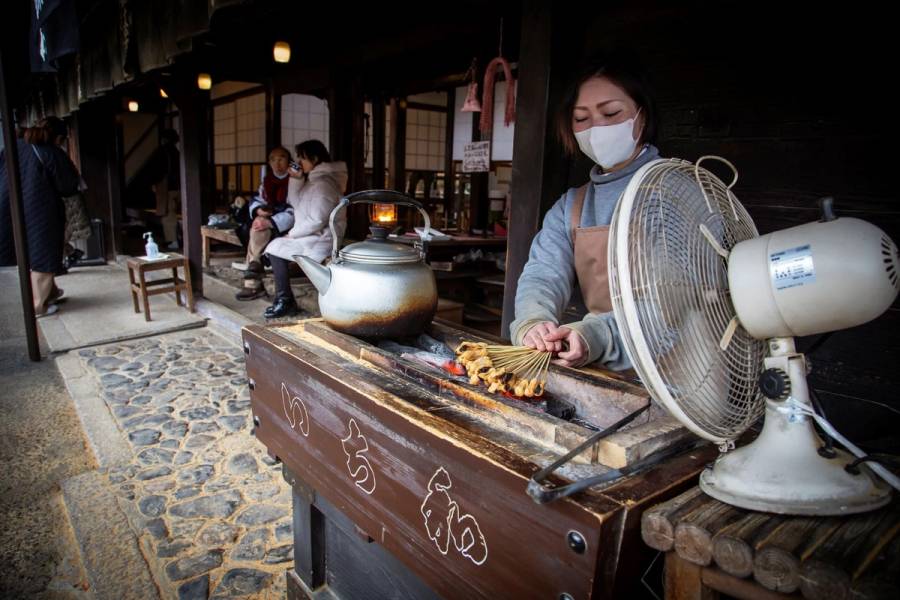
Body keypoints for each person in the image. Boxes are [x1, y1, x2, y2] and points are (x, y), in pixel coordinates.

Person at [509, 50, 660, 370]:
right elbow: (543, 273)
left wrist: (598, 335)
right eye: (581, 118)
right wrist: (533, 321)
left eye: (611, 113)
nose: (597, 127)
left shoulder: (675, 191)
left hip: (685, 379)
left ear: (641, 117)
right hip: (610, 373)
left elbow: (675, 302)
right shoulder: (572, 206)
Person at [0, 117, 80, 316]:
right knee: (42, 257)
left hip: (7, 208)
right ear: (59, 137)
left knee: (23, 255)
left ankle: (50, 293)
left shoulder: (15, 147)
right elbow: (68, 186)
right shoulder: (52, 153)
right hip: (41, 212)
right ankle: (37, 306)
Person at [262, 140, 347, 318]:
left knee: (276, 247)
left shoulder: (324, 184)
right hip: (312, 235)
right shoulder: (314, 180)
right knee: (276, 246)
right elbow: (295, 202)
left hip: (324, 237)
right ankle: (284, 299)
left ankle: (285, 300)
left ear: (314, 158)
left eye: (302, 158)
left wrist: (292, 235)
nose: (299, 162)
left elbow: (317, 220)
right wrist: (296, 179)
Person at [235, 146, 298, 301]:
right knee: (257, 224)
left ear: (289, 161)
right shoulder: (268, 180)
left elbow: (297, 209)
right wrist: (259, 211)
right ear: (269, 163)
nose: (278, 163)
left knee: (258, 229)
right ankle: (255, 267)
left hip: (290, 224)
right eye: (273, 160)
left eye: (282, 158)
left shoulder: (296, 179)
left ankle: (252, 283)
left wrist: (270, 222)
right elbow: (258, 200)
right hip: (270, 220)